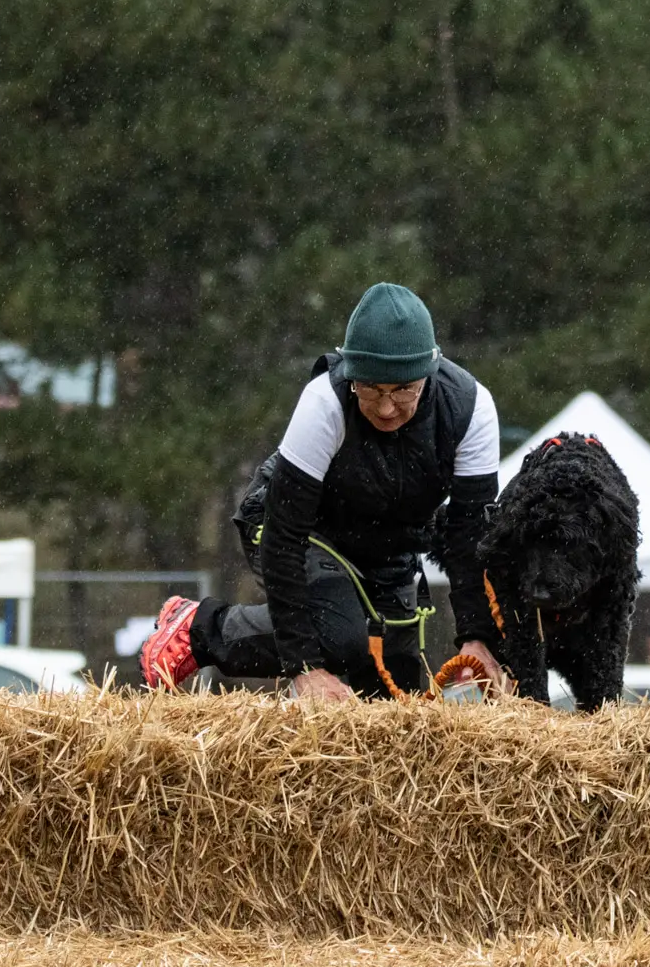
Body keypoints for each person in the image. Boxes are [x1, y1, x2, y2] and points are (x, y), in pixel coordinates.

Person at [141, 282, 504, 701]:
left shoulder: (472, 408)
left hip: (389, 545)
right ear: (352, 374)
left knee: (396, 704)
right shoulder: (324, 402)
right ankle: (199, 629)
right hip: (301, 528)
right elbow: (283, 537)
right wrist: (304, 666)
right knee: (340, 639)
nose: (386, 407)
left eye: (403, 390)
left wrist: (476, 636)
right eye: (370, 388)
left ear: (430, 372)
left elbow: (469, 536)